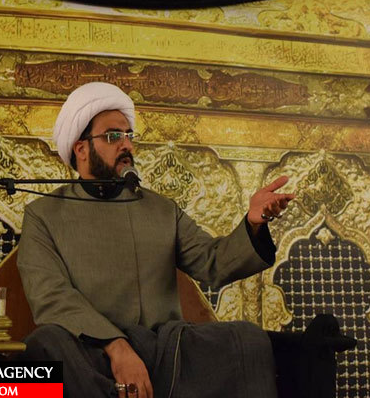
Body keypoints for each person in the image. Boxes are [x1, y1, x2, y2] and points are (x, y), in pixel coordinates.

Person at [17, 82, 295, 398]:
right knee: (46, 346)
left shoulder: (161, 209)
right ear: (81, 149)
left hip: (167, 352)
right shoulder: (44, 215)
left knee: (247, 339)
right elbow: (51, 296)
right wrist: (117, 347)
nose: (127, 145)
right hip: (92, 351)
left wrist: (253, 224)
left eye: (129, 136)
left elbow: (213, 262)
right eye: (113, 136)